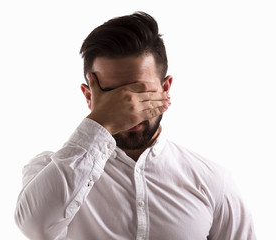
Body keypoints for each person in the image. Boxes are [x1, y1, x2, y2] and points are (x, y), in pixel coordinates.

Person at [14, 11, 256, 240]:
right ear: (89, 96)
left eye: (141, 92)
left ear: (165, 89)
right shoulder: (47, 170)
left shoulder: (212, 180)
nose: (129, 108)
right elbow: (36, 228)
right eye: (112, 96)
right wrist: (101, 122)